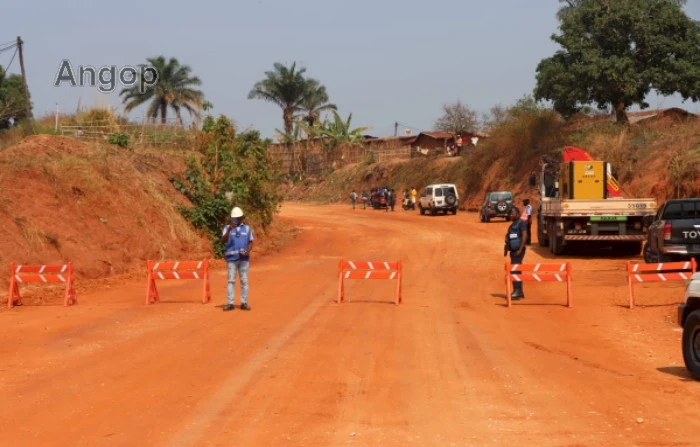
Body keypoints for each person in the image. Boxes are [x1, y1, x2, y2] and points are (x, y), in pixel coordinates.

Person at [221, 206, 254, 311]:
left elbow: (251, 242)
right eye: (234, 218)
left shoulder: (247, 229)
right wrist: (230, 230)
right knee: (231, 281)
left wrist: (248, 252)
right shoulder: (227, 228)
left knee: (244, 281)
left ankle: (244, 303)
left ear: (242, 217)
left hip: (244, 259)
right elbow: (223, 240)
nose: (236, 220)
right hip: (231, 259)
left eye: (238, 218)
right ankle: (230, 303)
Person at [504, 206, 528, 300]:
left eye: (512, 213)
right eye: (510, 213)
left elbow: (524, 235)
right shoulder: (512, 225)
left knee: (515, 271)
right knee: (516, 270)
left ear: (518, 213)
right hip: (513, 251)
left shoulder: (521, 223)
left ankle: (517, 292)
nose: (511, 215)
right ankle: (519, 291)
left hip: (518, 251)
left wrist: (520, 249)